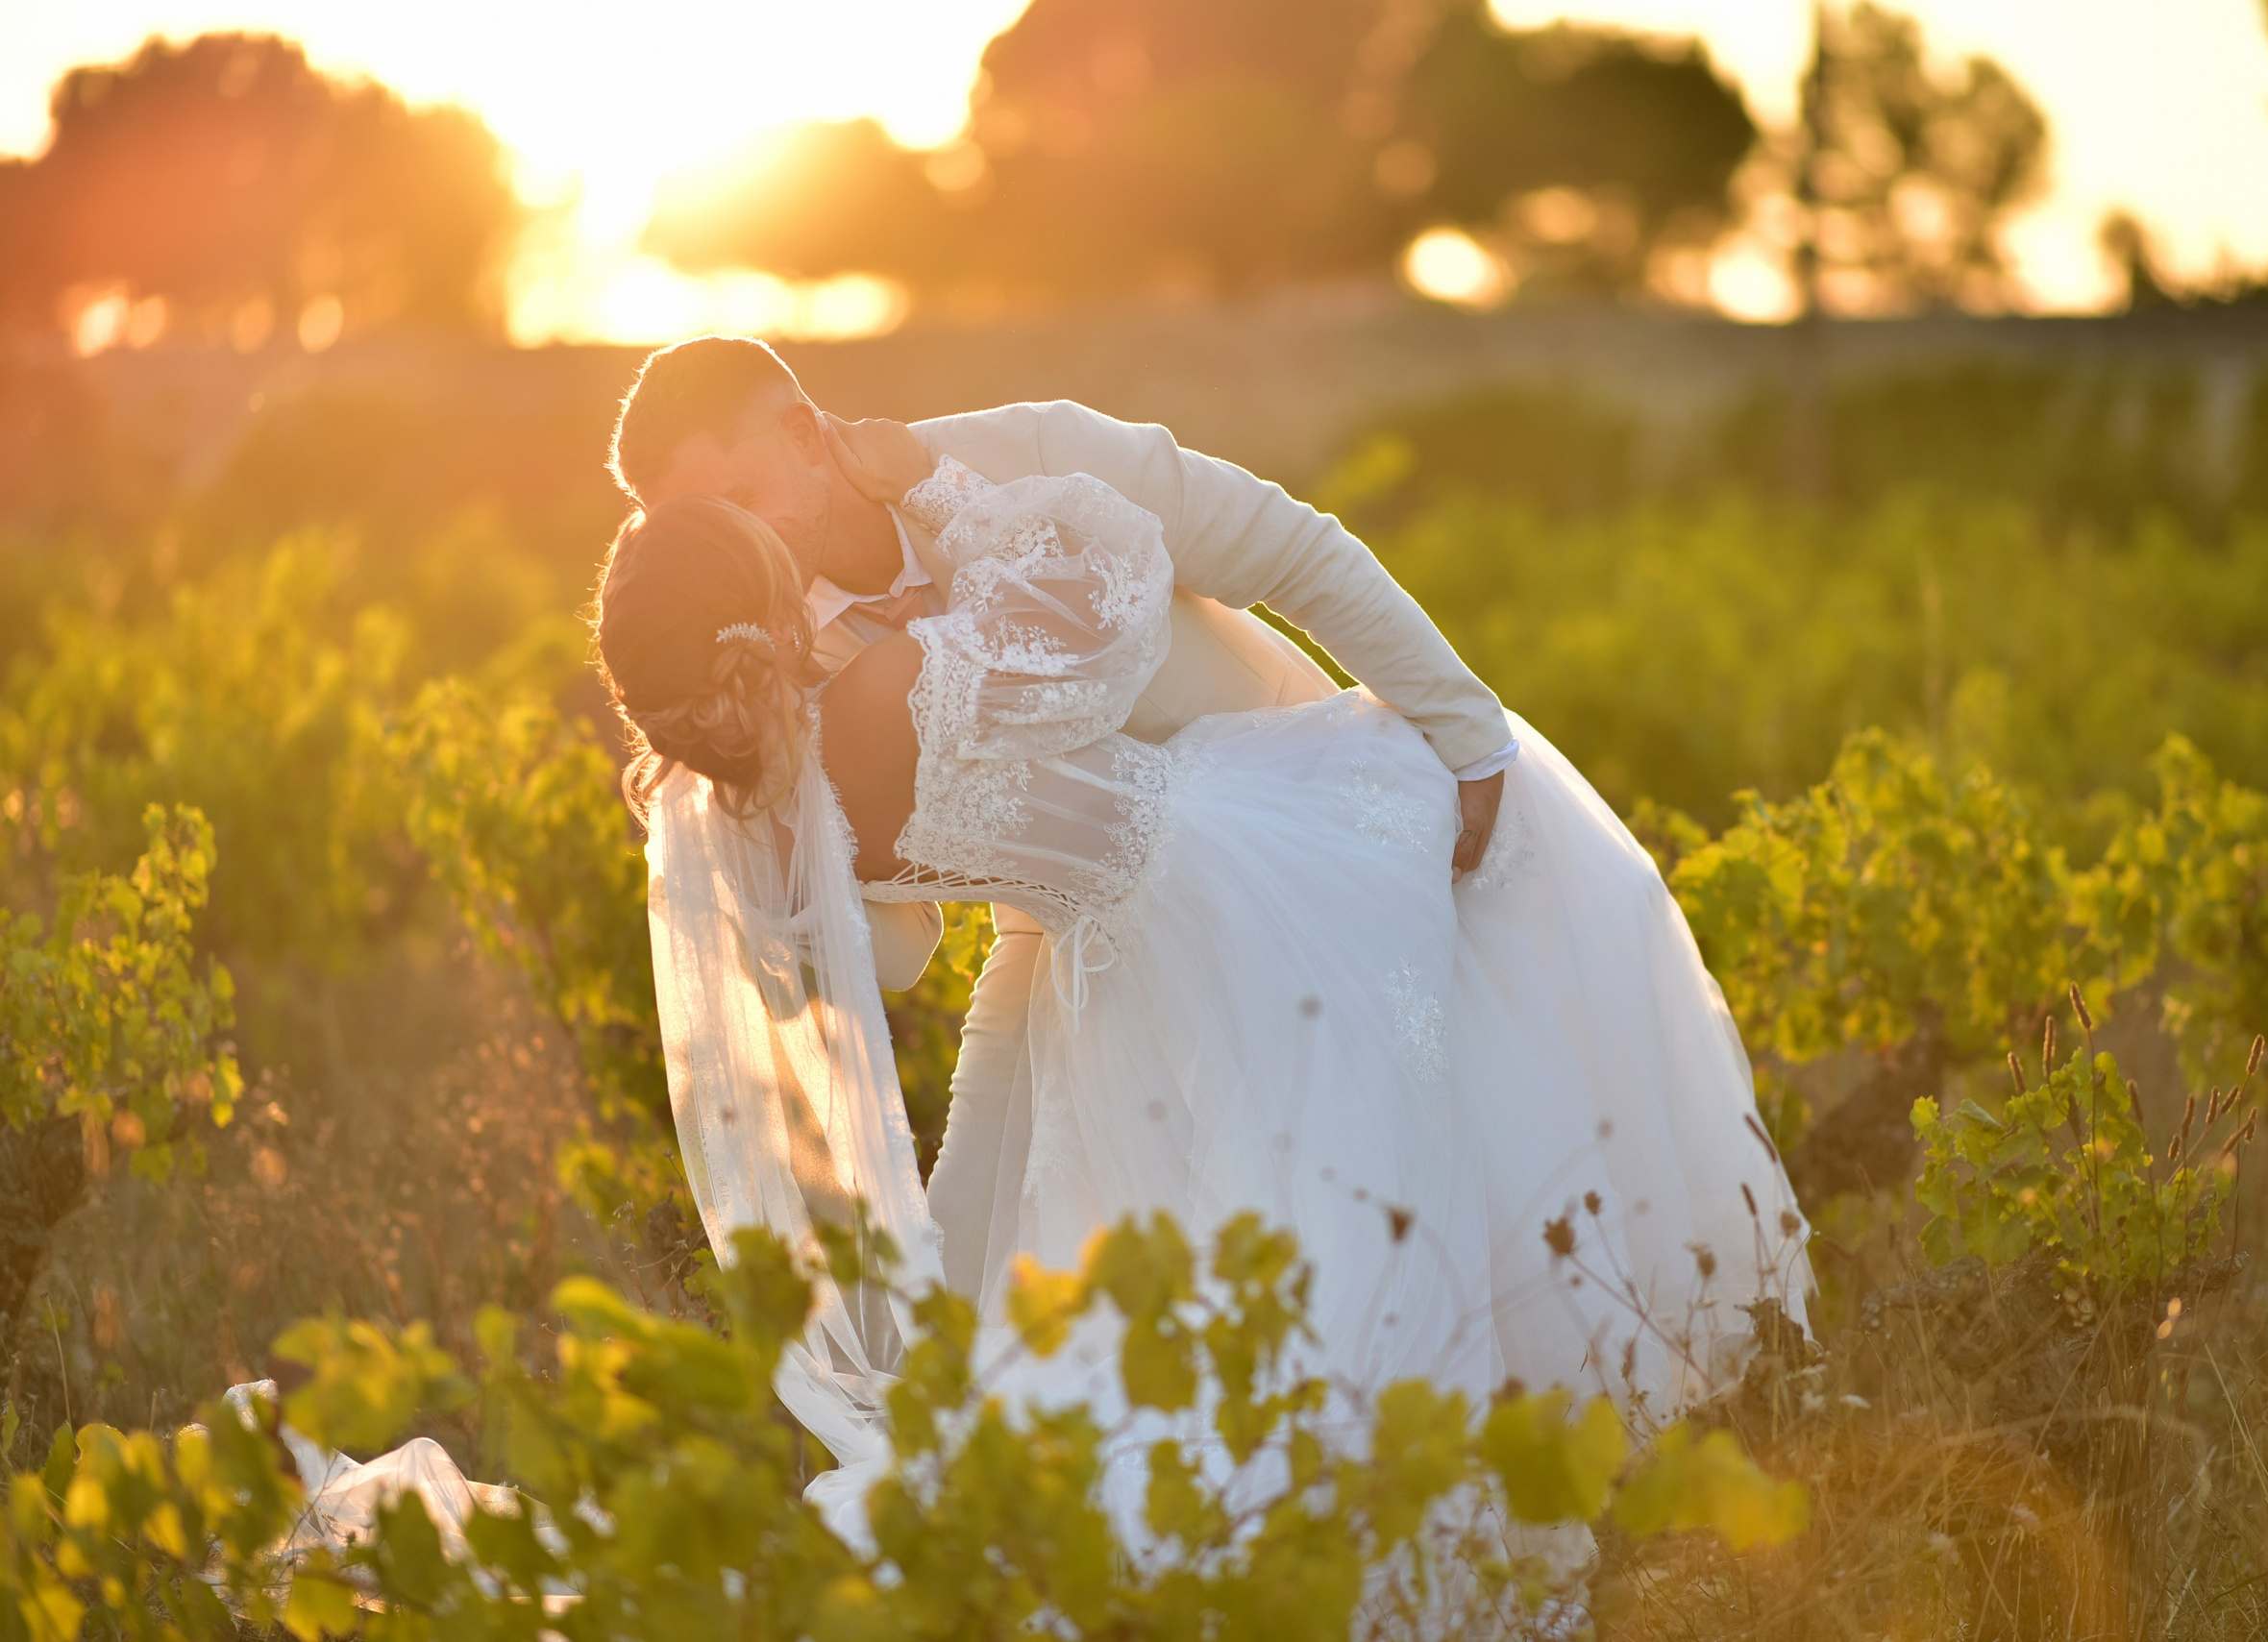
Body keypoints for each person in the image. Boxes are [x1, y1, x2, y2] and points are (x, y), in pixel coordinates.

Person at [592, 421, 1810, 1529]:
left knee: (1228, 1237)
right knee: (1363, 1172)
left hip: (1106, 972)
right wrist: (947, 497)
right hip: (1234, 876)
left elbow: (893, 954)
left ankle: (1326, 1475)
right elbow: (1109, 598)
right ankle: (1448, 1462)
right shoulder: (890, 679)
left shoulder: (766, 797)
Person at [604, 336, 1522, 1311]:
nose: (735, 541)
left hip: (1282, 822)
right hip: (1070, 923)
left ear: (803, 435)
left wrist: (1466, 735)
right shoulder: (782, 661)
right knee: (974, 1259)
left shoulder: (1033, 452)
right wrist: (778, 876)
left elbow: (1291, 550)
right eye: (700, 523)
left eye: (739, 497)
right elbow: (907, 944)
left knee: (1372, 1182)